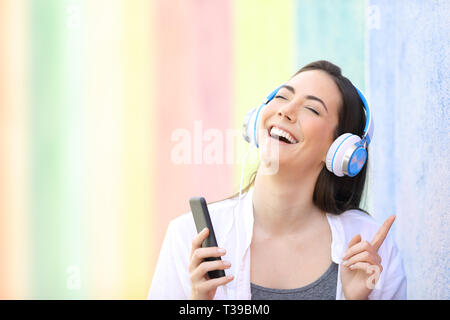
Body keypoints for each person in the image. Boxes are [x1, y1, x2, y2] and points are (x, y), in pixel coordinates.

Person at [148, 60, 407, 300]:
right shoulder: (190, 237)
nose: (285, 111)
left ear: (341, 151)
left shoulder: (371, 251)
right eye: (282, 96)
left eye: (312, 109)